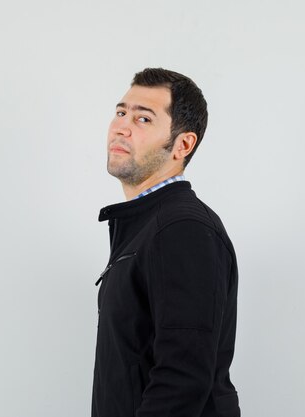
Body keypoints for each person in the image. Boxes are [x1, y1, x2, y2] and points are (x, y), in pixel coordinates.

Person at [91, 68, 240, 417]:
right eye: (121, 112)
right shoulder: (146, 226)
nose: (121, 126)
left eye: (143, 118)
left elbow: (182, 380)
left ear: (183, 144)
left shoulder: (182, 230)